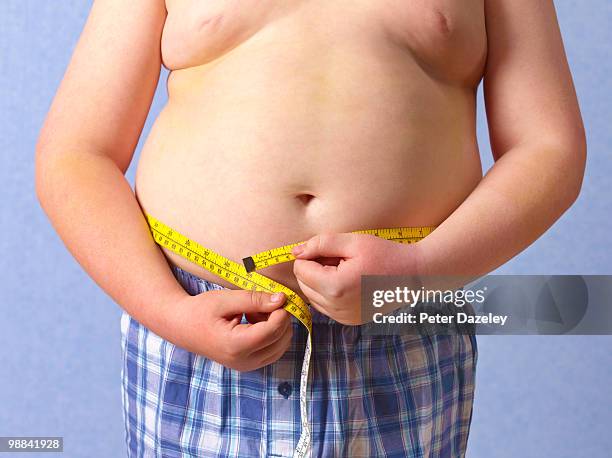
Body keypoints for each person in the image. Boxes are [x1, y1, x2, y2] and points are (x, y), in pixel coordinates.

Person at [35, 0, 586, 456]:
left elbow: (549, 149)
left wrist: (420, 271)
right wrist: (170, 312)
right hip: (197, 325)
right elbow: (77, 154)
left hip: (402, 318)